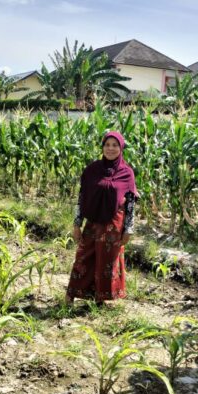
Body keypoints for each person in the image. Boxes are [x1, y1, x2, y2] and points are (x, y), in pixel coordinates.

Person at [65, 131, 139, 306]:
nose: (110, 149)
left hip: (114, 225)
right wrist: (77, 224)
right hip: (93, 223)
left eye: (115, 145)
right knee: (83, 257)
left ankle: (100, 298)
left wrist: (128, 229)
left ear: (121, 148)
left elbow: (130, 203)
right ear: (102, 147)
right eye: (107, 145)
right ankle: (71, 295)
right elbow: (82, 198)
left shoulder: (126, 173)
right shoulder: (92, 170)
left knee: (107, 262)